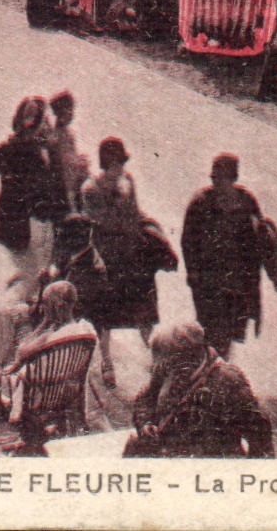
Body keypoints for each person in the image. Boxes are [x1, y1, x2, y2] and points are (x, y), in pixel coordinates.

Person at [82, 137, 175, 389]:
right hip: (108, 256)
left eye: (122, 163)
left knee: (144, 309)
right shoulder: (91, 189)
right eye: (115, 164)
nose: (120, 169)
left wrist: (152, 230)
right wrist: (120, 203)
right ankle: (107, 360)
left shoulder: (127, 181)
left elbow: (135, 214)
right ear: (106, 164)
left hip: (131, 256)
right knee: (104, 314)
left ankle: (155, 356)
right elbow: (106, 223)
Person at [126, 322, 273, 458]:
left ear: (191, 354)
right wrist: (146, 424)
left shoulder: (227, 379)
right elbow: (145, 399)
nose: (166, 368)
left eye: (172, 360)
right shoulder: (168, 371)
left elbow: (259, 433)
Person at [0, 97, 64, 296]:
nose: (47, 127)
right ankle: (15, 311)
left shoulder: (37, 149)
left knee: (31, 272)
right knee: (31, 277)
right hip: (19, 223)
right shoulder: (21, 150)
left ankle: (19, 296)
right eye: (44, 123)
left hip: (29, 222)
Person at [181, 153, 266, 356]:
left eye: (222, 179)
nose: (217, 183)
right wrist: (194, 274)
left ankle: (217, 369)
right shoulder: (201, 202)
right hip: (208, 281)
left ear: (233, 179)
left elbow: (259, 242)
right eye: (214, 178)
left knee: (228, 333)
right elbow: (188, 242)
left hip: (237, 283)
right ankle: (207, 369)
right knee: (210, 330)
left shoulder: (247, 203)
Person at [46, 90, 86, 212]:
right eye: (70, 110)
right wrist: (79, 164)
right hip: (66, 185)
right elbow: (65, 161)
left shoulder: (64, 133)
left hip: (70, 182)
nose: (72, 114)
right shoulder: (59, 135)